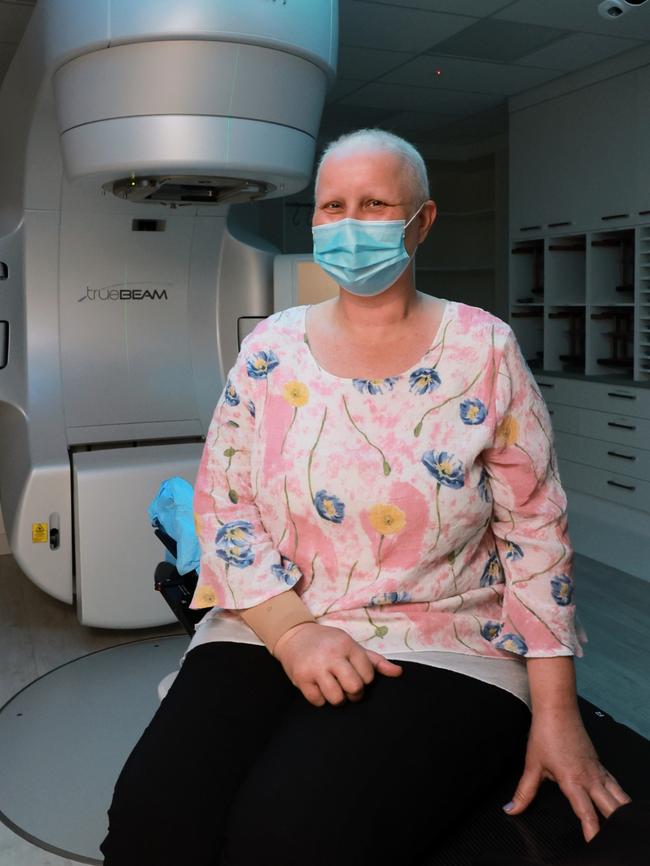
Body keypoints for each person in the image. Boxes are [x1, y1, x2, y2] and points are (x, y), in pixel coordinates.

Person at [100, 129, 630, 866]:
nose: (350, 224)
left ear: (422, 221)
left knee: (289, 838)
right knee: (149, 824)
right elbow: (226, 508)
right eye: (332, 207)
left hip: (443, 641)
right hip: (269, 620)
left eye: (375, 204)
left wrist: (558, 711)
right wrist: (292, 633)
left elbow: (534, 532)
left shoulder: (484, 350)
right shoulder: (269, 351)